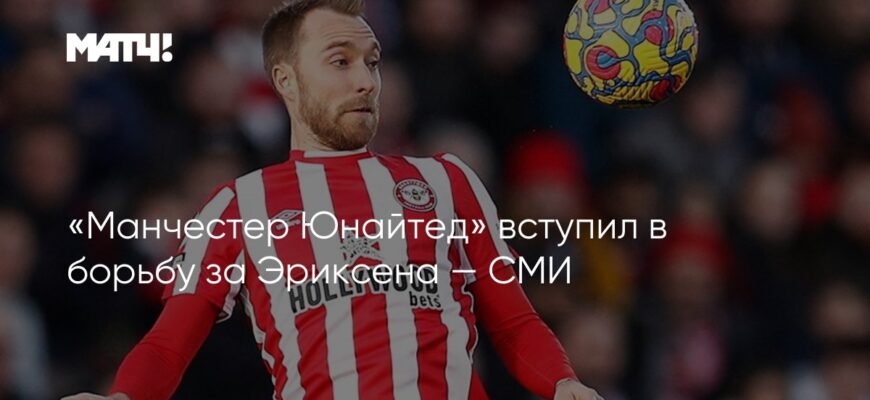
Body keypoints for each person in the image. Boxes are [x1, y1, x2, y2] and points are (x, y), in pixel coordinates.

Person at [62, 1, 601, 399]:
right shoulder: (240, 205)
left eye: (373, 62)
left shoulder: (446, 180)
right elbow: (168, 344)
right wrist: (124, 397)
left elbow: (513, 320)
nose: (366, 81)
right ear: (286, 81)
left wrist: (563, 383)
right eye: (340, 62)